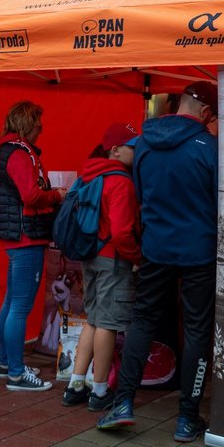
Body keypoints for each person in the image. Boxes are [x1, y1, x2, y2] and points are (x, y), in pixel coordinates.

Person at [97, 81, 218, 443]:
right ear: (206, 113)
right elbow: (219, 200)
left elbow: (139, 192)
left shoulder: (145, 144)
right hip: (199, 249)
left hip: (156, 246)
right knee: (197, 329)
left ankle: (123, 403)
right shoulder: (209, 147)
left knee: (142, 321)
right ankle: (187, 417)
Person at [62, 122, 142, 411]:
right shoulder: (121, 181)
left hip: (90, 256)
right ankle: (99, 391)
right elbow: (121, 232)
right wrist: (136, 257)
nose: (138, 151)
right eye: (133, 146)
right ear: (116, 150)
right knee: (107, 324)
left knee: (93, 319)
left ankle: (75, 385)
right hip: (114, 260)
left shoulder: (89, 174)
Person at [0, 100, 66, 392]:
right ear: (27, 125)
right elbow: (31, 196)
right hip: (26, 236)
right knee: (19, 306)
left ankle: (7, 364)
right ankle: (17, 375)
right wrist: (57, 194)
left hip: (15, 236)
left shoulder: (8, 150)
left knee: (11, 302)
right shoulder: (19, 153)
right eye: (39, 125)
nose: (41, 130)